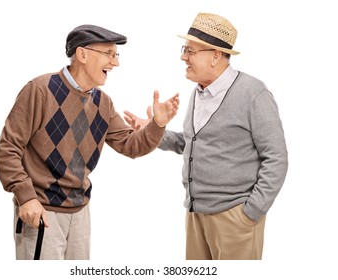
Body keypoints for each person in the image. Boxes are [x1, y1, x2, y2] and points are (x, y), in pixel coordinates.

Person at [0, 24, 180, 260]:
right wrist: (26, 196)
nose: (116, 63)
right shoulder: (40, 90)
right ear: (82, 54)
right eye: (109, 54)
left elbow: (131, 145)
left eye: (116, 55)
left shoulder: (103, 103)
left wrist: (158, 125)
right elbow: (7, 148)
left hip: (80, 212)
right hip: (41, 211)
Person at [123, 13, 288, 260]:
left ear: (215, 55)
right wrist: (153, 128)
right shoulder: (198, 93)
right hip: (195, 214)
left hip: (235, 219)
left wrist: (251, 212)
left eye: (190, 50)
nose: (183, 57)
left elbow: (276, 158)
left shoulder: (254, 93)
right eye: (184, 49)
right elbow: (190, 143)